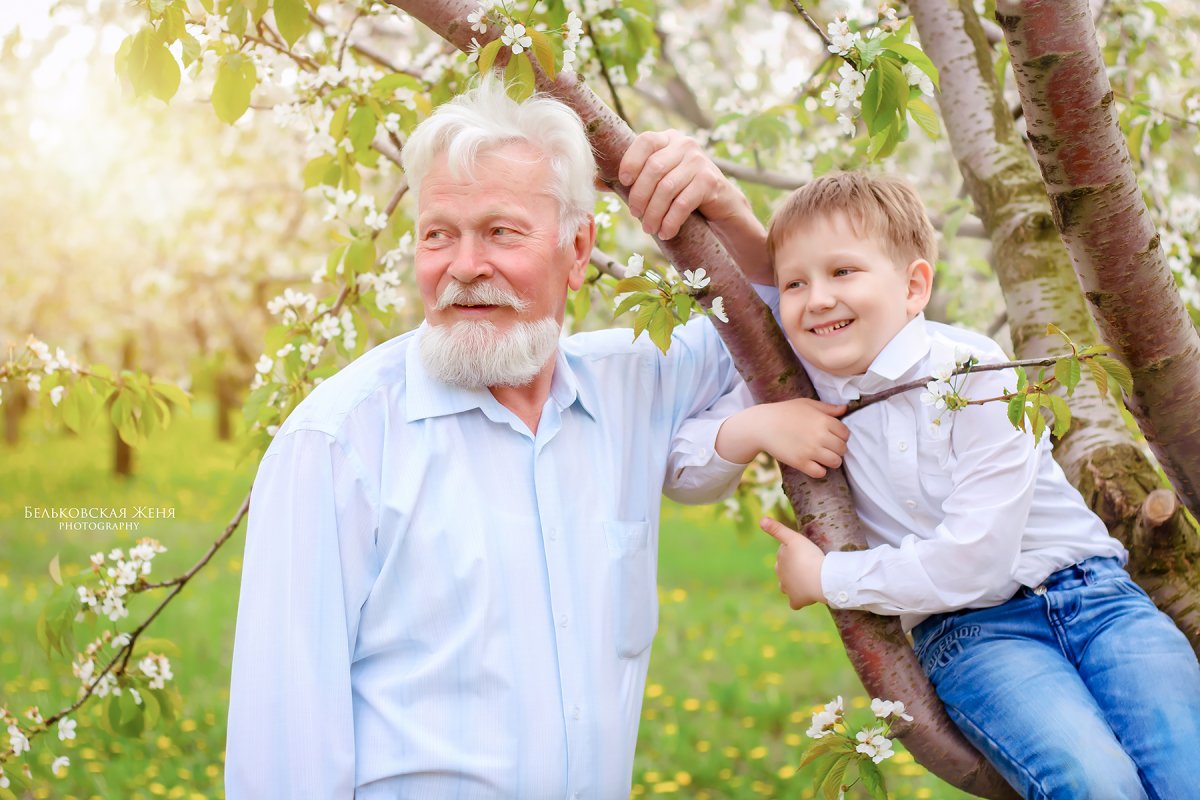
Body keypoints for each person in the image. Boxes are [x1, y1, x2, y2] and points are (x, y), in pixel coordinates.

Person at [224, 84, 847, 798]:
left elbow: (784, 329)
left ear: (576, 251)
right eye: (438, 235)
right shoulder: (336, 445)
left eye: (500, 232)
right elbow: (282, 756)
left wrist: (732, 214)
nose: (463, 267)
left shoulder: (631, 385)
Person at [694, 170, 1200, 798]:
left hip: (1098, 600)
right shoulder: (791, 388)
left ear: (913, 287)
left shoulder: (974, 371)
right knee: (1092, 780)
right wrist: (754, 425)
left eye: (842, 272)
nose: (816, 299)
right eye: (794, 282)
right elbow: (683, 468)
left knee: (1186, 768)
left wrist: (829, 579)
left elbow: (977, 561)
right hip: (977, 637)